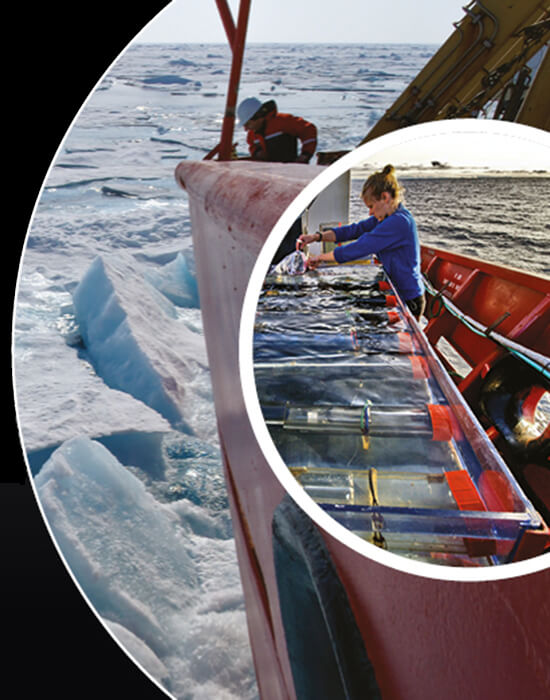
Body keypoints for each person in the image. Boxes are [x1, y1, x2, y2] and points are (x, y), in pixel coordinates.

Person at [298, 165, 426, 320]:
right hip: (394, 288)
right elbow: (353, 230)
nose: (370, 212)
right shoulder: (386, 218)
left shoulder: (399, 222)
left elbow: (360, 247)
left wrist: (319, 258)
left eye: (371, 206)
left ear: (385, 198)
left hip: (408, 298)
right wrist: (316, 237)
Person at [237, 97, 317, 164]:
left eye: (247, 124)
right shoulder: (252, 134)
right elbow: (252, 145)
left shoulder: (283, 121)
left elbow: (308, 129)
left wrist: (305, 154)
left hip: (290, 172)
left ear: (259, 117)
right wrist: (257, 152)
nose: (246, 129)